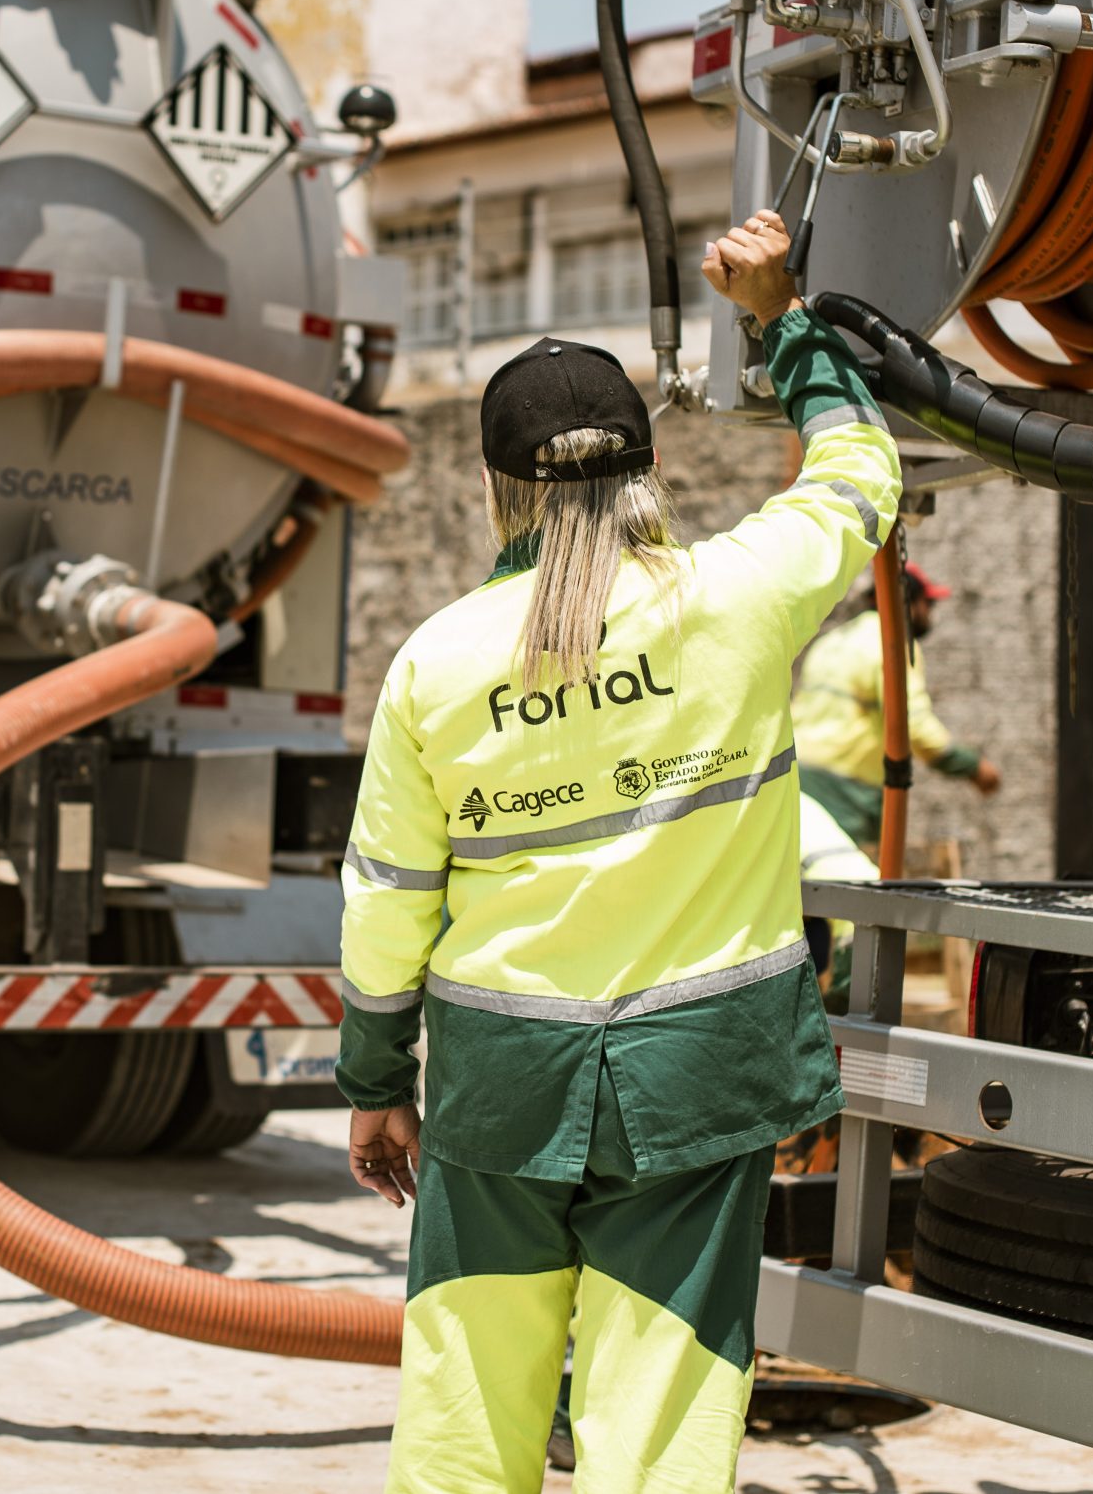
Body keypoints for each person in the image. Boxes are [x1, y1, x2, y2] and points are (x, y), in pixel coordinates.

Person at [338, 209, 899, 1492]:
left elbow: (388, 904)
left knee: (467, 1401)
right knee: (663, 1404)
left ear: (498, 487)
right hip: (697, 1082)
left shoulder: (439, 662)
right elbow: (862, 472)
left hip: (499, 1085)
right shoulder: (739, 597)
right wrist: (779, 321)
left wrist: (375, 1077)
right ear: (645, 468)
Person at [793, 561, 1001, 851]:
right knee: (844, 883)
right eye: (927, 603)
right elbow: (913, 726)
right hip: (848, 791)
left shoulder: (832, 641)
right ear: (909, 601)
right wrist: (971, 766)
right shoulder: (891, 644)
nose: (929, 613)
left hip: (799, 777)